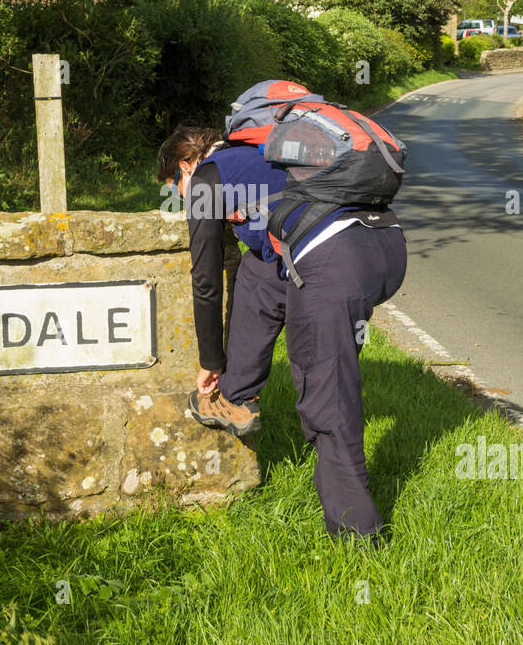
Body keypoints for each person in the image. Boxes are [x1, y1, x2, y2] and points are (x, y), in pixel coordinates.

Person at [156, 82, 408, 545]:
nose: (179, 199)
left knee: (326, 398)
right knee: (258, 272)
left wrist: (209, 363)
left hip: (336, 265)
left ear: (186, 166)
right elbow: (269, 244)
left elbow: (206, 281)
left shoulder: (209, 178)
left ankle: (357, 536)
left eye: (175, 187)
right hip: (385, 247)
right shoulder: (274, 153)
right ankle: (236, 397)